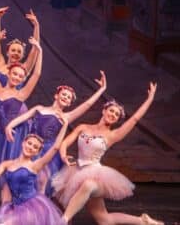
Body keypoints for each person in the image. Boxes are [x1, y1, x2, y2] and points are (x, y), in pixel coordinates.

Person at [52, 82, 164, 225]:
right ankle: (143, 221)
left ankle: (63, 221)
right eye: (111, 111)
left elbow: (134, 119)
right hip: (75, 171)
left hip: (96, 175)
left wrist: (149, 100)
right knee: (103, 219)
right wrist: (63, 156)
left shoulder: (113, 135)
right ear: (104, 111)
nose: (113, 115)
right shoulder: (83, 127)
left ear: (117, 119)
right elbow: (65, 143)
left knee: (88, 185)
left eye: (117, 114)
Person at [5, 71, 107, 196]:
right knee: (23, 177)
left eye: (68, 97)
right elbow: (23, 117)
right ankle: (21, 204)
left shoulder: (65, 116)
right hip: (31, 146)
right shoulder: (39, 108)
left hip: (48, 150)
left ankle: (40, 207)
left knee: (42, 181)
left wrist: (101, 90)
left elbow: (87, 105)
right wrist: (10, 126)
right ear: (56, 95)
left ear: (69, 103)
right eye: (64, 94)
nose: (65, 97)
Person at [0, 26, 42, 192]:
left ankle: (16, 193)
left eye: (21, 76)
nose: (18, 77)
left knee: (14, 161)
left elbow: (35, 74)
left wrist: (38, 43)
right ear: (9, 74)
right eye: (15, 74)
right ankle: (4, 196)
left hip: (16, 130)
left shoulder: (21, 94)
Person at [0, 114, 69, 225]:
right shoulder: (7, 164)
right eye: (29, 143)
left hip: (33, 208)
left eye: (35, 147)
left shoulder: (35, 165)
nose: (30, 147)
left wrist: (65, 125)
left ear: (37, 152)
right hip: (15, 206)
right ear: (23, 143)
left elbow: (55, 147)